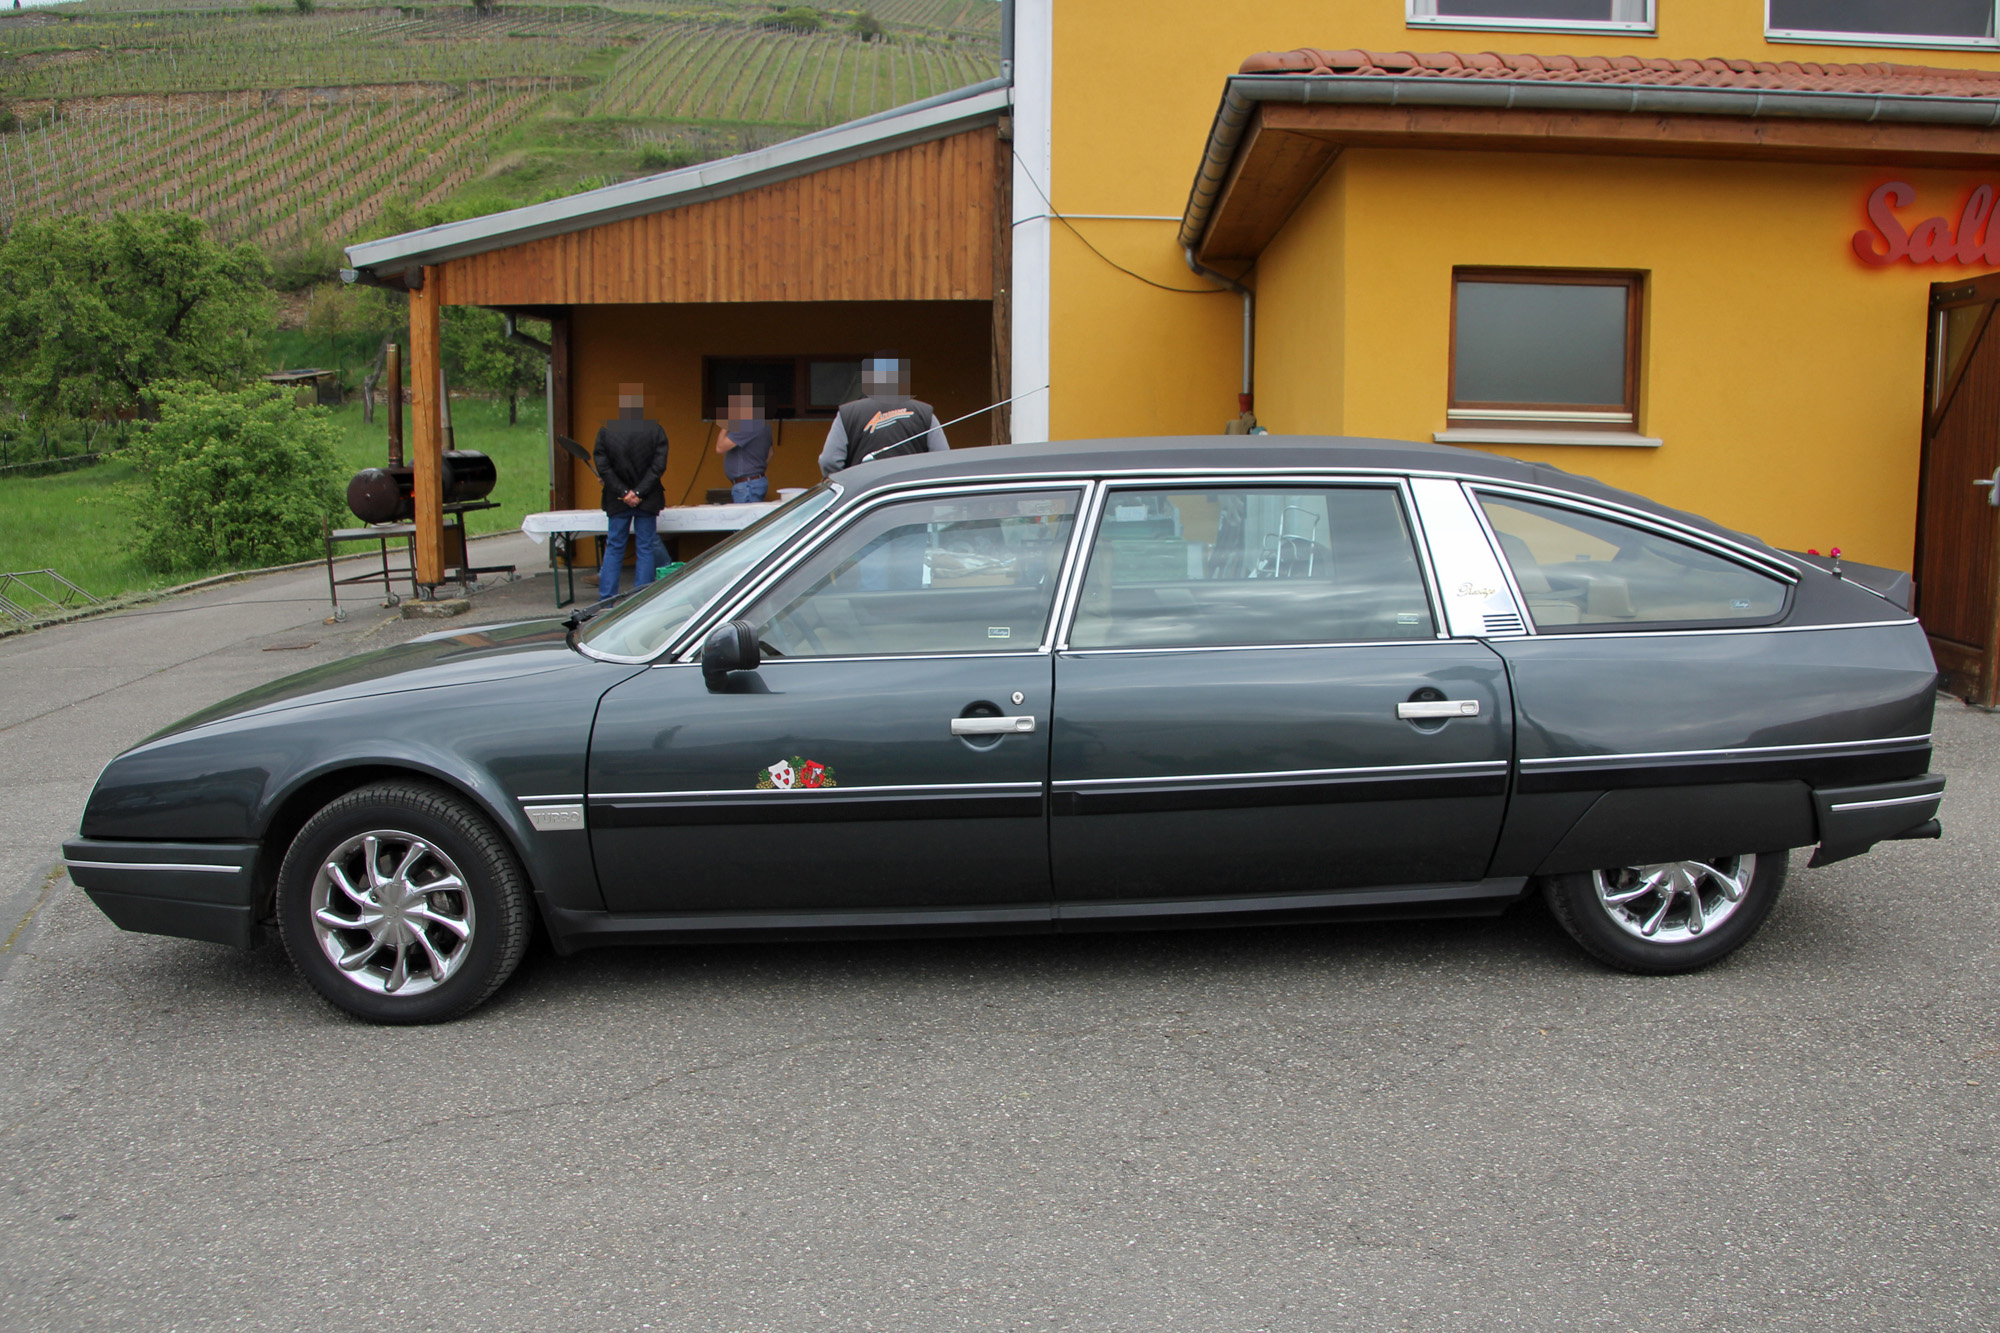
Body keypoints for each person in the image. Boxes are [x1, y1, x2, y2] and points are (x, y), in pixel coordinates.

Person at [593, 382, 669, 603]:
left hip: (616, 499)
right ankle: (640, 598)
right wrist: (639, 492)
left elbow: (603, 466)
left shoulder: (606, 431)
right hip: (647, 498)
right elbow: (658, 466)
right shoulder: (655, 430)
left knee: (614, 546)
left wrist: (624, 492)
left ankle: (607, 599)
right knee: (645, 547)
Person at [819, 354, 949, 477]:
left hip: (866, 495)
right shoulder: (923, 412)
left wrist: (847, 486)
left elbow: (829, 461)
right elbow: (942, 460)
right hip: (911, 495)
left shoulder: (848, 413)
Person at [713, 383, 775, 503]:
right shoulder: (764, 423)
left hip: (747, 485)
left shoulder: (747, 424)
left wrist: (726, 425)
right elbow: (770, 453)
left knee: (746, 521)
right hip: (754, 481)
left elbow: (720, 447)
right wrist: (755, 469)